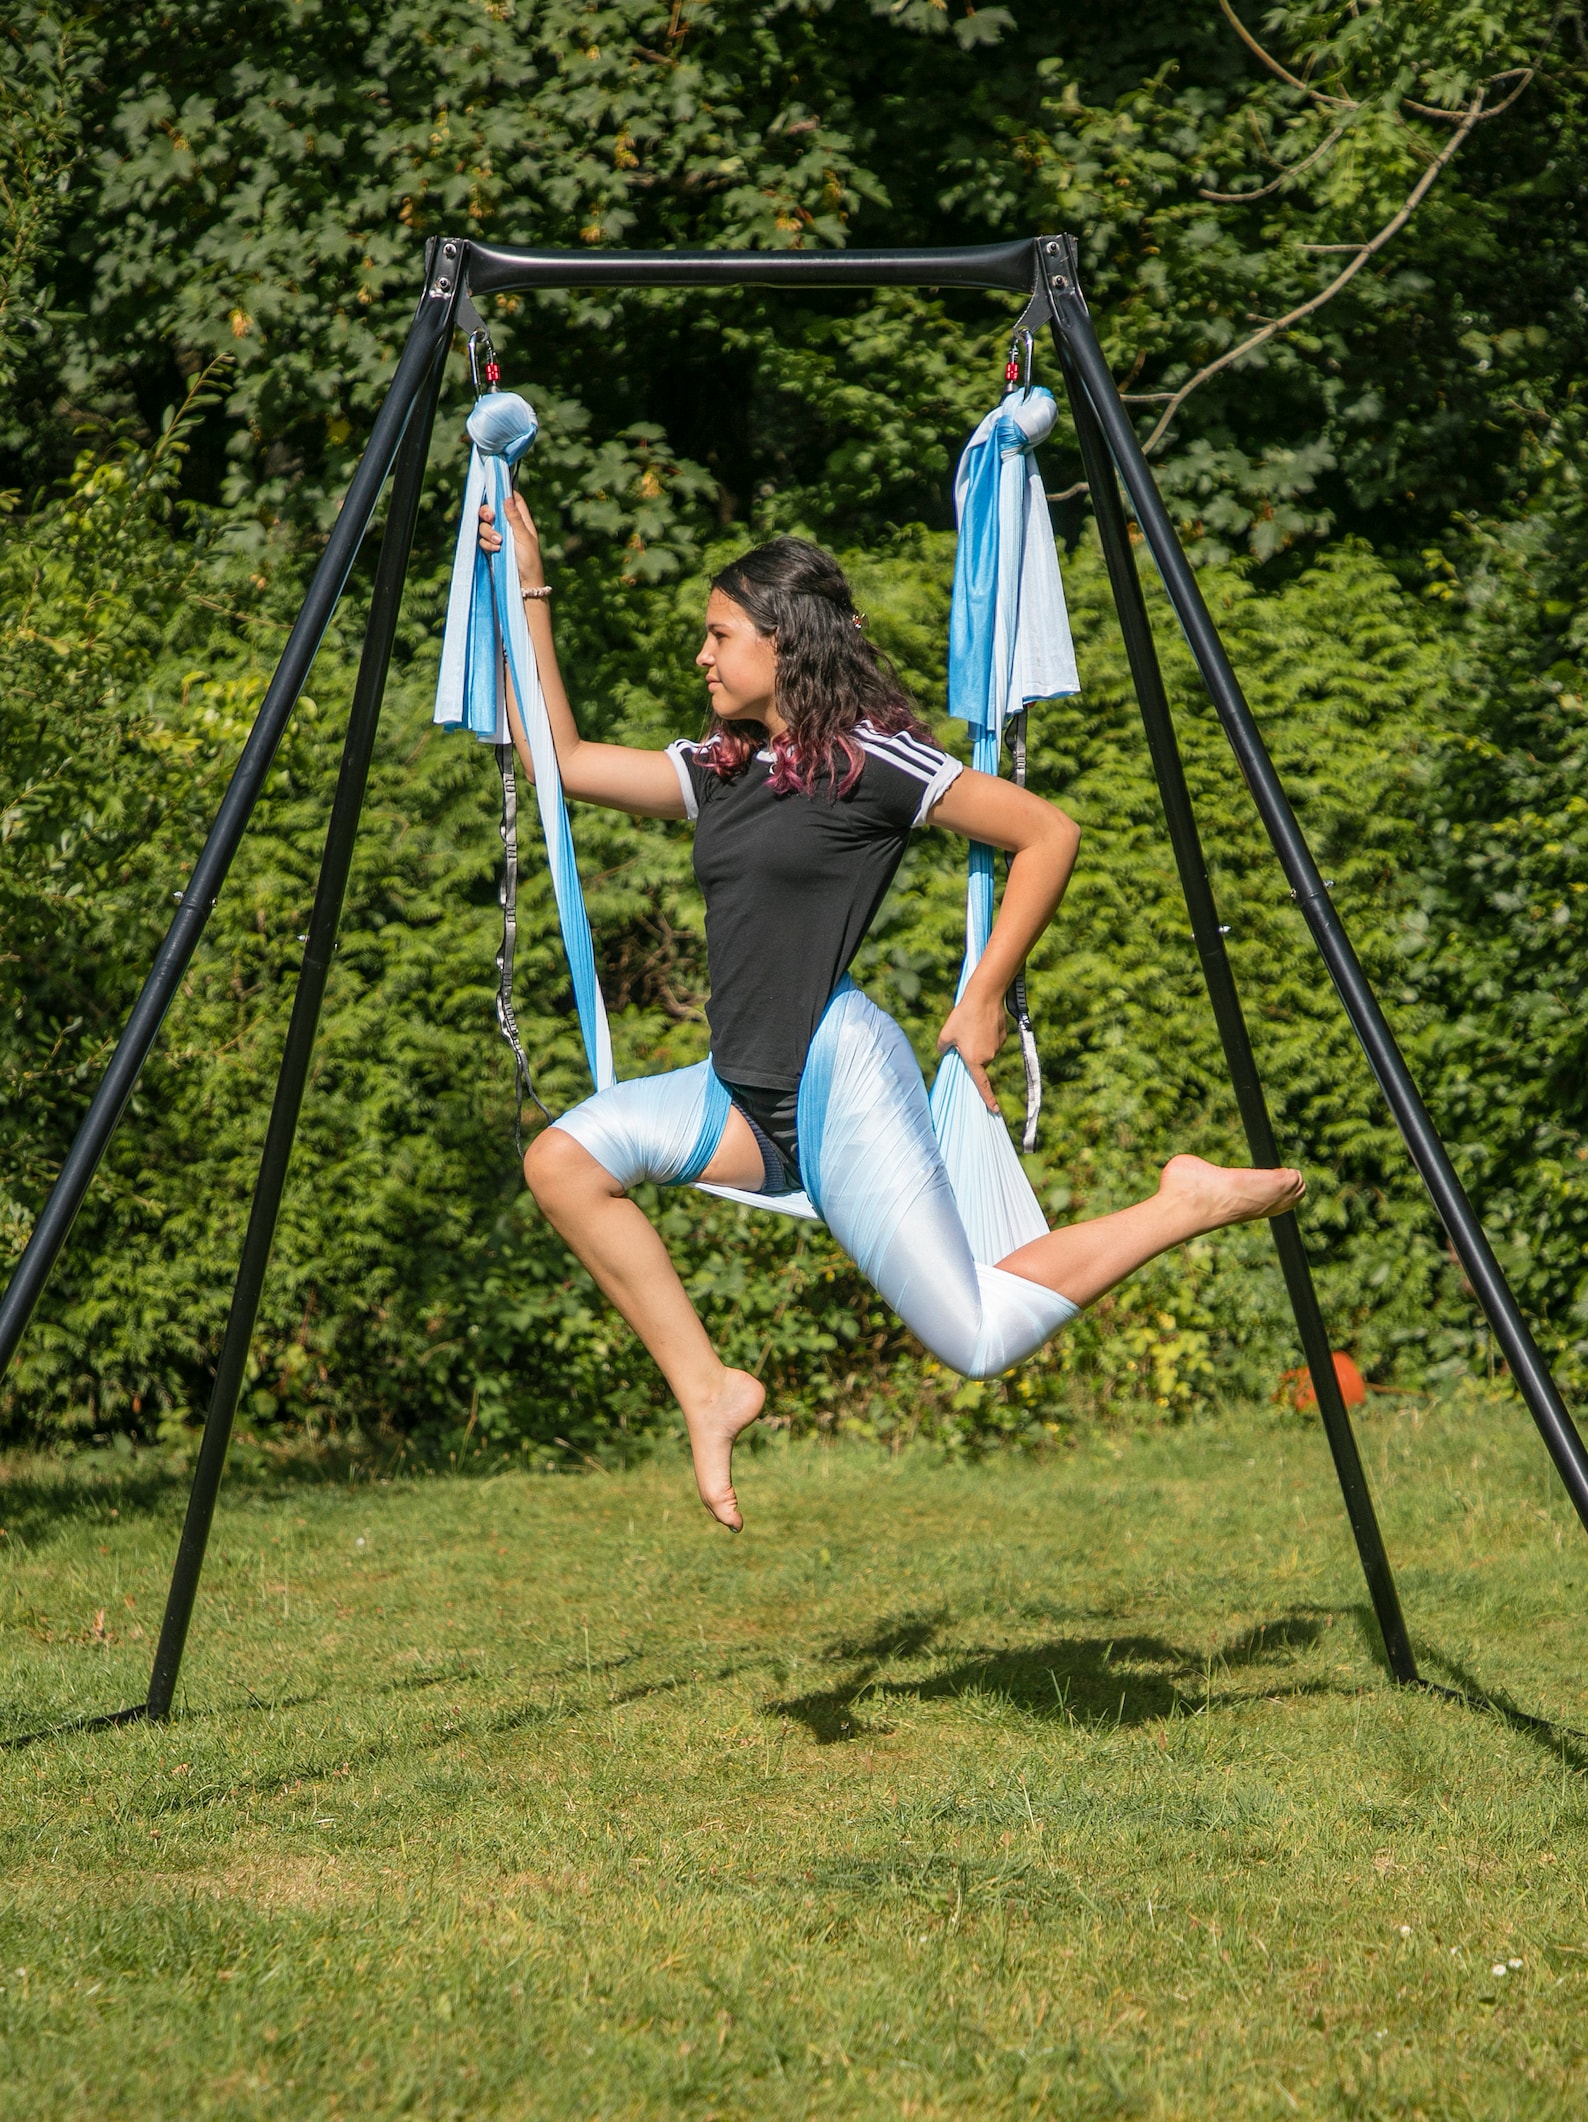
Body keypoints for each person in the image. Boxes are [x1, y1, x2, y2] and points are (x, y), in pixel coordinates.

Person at [479, 498, 1304, 1532]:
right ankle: (709, 1388)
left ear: (787, 645)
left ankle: (1183, 1201)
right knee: (562, 1163)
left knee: (976, 1335)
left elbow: (1046, 832)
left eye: (719, 634)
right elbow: (554, 760)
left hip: (834, 1073)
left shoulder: (871, 762)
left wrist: (983, 994)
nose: (701, 655)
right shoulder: (721, 772)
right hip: (741, 1088)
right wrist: (524, 588)